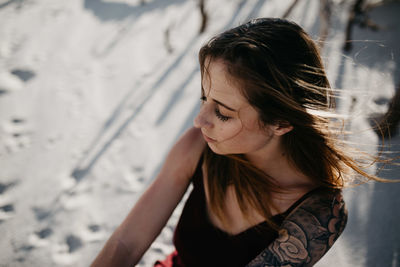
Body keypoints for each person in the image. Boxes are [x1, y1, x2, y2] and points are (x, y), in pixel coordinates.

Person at [91, 17, 387, 267]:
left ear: (281, 122)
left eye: (222, 113)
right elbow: (126, 244)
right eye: (204, 99)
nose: (199, 120)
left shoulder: (318, 215)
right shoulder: (198, 146)